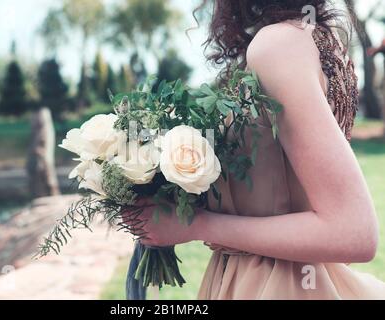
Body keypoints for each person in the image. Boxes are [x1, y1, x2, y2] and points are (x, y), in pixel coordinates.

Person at [129, 0, 385, 299]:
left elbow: (351, 233)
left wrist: (194, 225)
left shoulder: (278, 44)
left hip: (273, 286)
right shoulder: (313, 37)